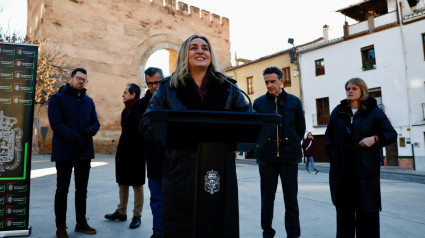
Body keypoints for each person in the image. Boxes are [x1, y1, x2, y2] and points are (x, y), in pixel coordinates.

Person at [140, 34, 250, 237]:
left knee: (217, 225)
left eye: (205, 48)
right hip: (180, 171)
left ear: (211, 55)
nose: (200, 51)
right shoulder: (167, 88)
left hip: (219, 171)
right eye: (194, 48)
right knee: (182, 227)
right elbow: (147, 122)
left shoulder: (229, 87)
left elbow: (248, 121)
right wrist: (177, 135)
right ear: (184, 54)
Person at [325, 78, 397, 238]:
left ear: (362, 90)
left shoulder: (374, 111)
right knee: (344, 217)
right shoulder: (338, 111)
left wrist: (375, 139)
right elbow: (329, 136)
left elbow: (391, 134)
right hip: (343, 173)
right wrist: (334, 156)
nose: (350, 91)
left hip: (365, 172)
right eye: (348, 88)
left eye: (354, 88)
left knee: (368, 217)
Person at [253, 66, 305, 238]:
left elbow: (300, 128)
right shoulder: (259, 103)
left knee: (291, 200)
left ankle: (293, 234)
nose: (269, 85)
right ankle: (267, 232)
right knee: (267, 200)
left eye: (272, 81)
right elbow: (256, 131)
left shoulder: (294, 102)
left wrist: (291, 144)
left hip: (289, 158)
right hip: (266, 159)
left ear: (282, 81)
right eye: (266, 82)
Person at [48, 68, 100, 238]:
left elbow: (95, 122)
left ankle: (81, 223)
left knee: (82, 190)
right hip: (64, 152)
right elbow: (57, 124)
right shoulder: (56, 99)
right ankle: (60, 227)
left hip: (84, 152)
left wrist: (89, 131)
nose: (81, 81)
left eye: (84, 79)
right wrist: (77, 138)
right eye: (78, 78)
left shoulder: (88, 101)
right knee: (62, 190)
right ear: (70, 78)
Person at [104, 83, 145, 229]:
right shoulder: (125, 110)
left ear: (134, 95)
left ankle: (137, 215)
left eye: (126, 92)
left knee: (137, 184)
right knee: (122, 182)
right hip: (123, 151)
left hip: (137, 152)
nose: (123, 95)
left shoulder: (140, 107)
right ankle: (121, 212)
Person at [139, 67, 165, 238]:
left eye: (157, 82)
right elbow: (141, 130)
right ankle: (158, 233)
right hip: (155, 159)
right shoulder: (142, 104)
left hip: (175, 159)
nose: (154, 86)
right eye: (150, 83)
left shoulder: (173, 98)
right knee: (156, 199)